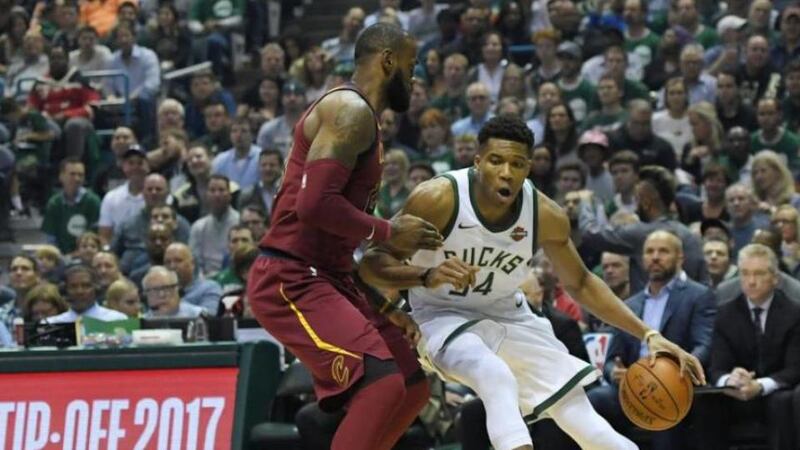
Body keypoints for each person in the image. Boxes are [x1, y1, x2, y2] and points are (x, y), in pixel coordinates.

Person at [359, 116, 705, 450]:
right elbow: (372, 264)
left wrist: (650, 334)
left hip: (509, 316)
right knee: (493, 374)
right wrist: (423, 277)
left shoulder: (544, 214)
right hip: (439, 313)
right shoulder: (439, 199)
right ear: (477, 161)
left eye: (518, 164)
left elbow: (582, 282)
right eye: (496, 161)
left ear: (529, 167)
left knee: (587, 423)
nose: (506, 173)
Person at [246, 24, 444, 450]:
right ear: (388, 61)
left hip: (329, 274)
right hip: (291, 275)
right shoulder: (349, 111)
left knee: (412, 384)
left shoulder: (361, 119)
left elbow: (334, 235)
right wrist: (390, 232)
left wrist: (385, 306)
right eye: (410, 67)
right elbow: (313, 206)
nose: (415, 78)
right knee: (383, 383)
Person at [587, 230, 716, 450]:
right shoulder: (630, 304)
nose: (655, 256)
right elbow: (610, 360)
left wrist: (676, 372)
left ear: (680, 257)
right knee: (591, 401)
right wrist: (614, 373)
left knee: (665, 408)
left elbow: (704, 345)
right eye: (649, 251)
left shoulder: (699, 295)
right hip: (633, 386)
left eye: (663, 251)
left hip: (673, 385)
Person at [694, 244, 800, 450]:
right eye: (745, 274)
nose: (751, 281)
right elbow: (717, 368)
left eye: (759, 274)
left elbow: (795, 368)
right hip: (738, 392)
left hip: (776, 389)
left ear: (775, 278)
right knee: (706, 401)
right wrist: (730, 379)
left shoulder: (794, 313)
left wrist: (760, 385)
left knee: (782, 401)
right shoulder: (725, 313)